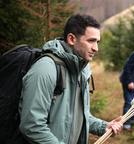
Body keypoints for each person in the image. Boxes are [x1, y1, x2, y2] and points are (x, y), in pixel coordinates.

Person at [19, 14, 123, 144]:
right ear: (72, 39)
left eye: (97, 42)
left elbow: (79, 116)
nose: (96, 48)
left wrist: (103, 126)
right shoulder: (45, 69)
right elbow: (31, 125)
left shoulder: (82, 70)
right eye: (91, 41)